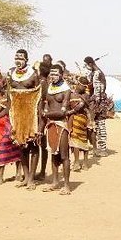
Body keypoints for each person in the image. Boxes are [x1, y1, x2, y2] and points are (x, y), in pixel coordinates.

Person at [7, 49, 43, 190]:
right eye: (16, 57)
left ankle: (32, 179)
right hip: (16, 115)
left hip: (31, 114)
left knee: (33, 145)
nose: (18, 59)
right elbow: (9, 96)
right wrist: (9, 116)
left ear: (26, 59)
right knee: (20, 146)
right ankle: (26, 176)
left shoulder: (33, 74)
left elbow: (39, 96)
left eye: (21, 57)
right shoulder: (11, 74)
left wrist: (39, 116)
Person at [0, 64, 21, 185]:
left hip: (8, 123)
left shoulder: (10, 94)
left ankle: (2, 176)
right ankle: (17, 173)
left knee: (6, 147)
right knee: (6, 147)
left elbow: (7, 110)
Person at [41, 64, 72, 195]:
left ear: (61, 75)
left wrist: (45, 114)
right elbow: (45, 105)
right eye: (51, 74)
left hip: (61, 125)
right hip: (51, 125)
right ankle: (55, 182)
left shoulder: (66, 90)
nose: (53, 76)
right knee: (53, 154)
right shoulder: (49, 88)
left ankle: (66, 185)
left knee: (64, 155)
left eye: (55, 74)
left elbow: (62, 113)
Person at [84, 56, 111, 157]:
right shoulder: (96, 72)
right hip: (98, 102)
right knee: (97, 126)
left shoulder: (97, 73)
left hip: (98, 103)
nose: (86, 67)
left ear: (90, 64)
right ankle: (99, 148)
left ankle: (102, 149)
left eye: (86, 65)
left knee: (100, 125)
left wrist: (94, 104)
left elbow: (98, 91)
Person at [68, 77, 91, 171]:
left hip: (82, 118)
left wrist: (70, 111)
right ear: (78, 84)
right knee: (75, 140)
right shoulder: (72, 94)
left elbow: (80, 107)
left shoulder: (85, 95)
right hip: (74, 118)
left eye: (85, 87)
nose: (84, 88)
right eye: (83, 86)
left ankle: (84, 162)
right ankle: (77, 162)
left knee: (83, 140)